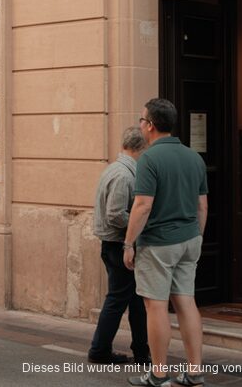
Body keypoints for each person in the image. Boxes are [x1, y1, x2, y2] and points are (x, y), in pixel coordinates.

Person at [124, 98, 209, 387]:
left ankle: (158, 373)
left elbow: (142, 205)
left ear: (149, 125)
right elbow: (202, 205)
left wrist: (128, 243)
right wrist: (197, 236)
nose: (140, 124)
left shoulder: (149, 158)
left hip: (159, 242)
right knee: (186, 302)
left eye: (141, 119)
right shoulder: (193, 157)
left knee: (156, 306)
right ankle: (195, 371)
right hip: (189, 239)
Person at [89, 126, 151, 365]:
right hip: (118, 245)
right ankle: (100, 350)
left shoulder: (116, 169)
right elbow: (115, 214)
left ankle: (140, 351)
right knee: (118, 299)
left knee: (134, 300)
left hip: (115, 244)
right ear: (140, 149)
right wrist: (140, 224)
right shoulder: (124, 175)